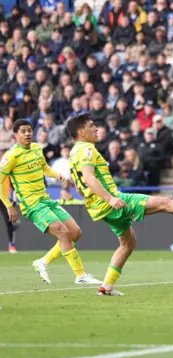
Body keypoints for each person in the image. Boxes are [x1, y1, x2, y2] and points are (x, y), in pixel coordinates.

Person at [65, 113, 173, 296]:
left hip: (99, 208)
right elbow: (88, 178)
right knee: (164, 203)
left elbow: (81, 186)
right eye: (91, 126)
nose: (96, 128)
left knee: (128, 243)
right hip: (111, 203)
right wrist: (110, 198)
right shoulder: (86, 149)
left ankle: (106, 287)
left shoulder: (73, 153)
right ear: (81, 132)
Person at [0, 119, 101, 285]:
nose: (27, 134)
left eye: (30, 130)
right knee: (63, 232)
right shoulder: (11, 156)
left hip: (46, 200)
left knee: (75, 233)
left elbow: (44, 167)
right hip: (32, 205)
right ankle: (80, 275)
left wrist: (57, 175)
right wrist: (9, 205)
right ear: (16, 134)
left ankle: (43, 262)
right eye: (23, 131)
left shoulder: (36, 148)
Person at [0, 177, 17, 253]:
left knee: (9, 221)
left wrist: (14, 200)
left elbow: (14, 187)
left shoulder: (6, 169)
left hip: (5, 199)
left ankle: (11, 245)